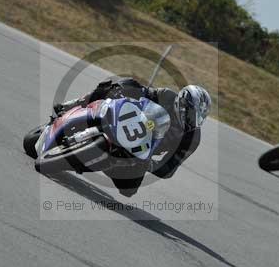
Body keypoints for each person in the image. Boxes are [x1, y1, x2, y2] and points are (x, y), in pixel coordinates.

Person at [54, 77, 211, 197]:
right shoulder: (166, 96)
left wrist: (150, 164)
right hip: (126, 125)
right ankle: (72, 105)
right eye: (190, 113)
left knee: (128, 190)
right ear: (182, 102)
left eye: (198, 117)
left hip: (140, 154)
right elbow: (141, 91)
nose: (192, 120)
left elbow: (169, 169)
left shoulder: (192, 138)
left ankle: (106, 161)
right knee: (115, 85)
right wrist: (123, 89)